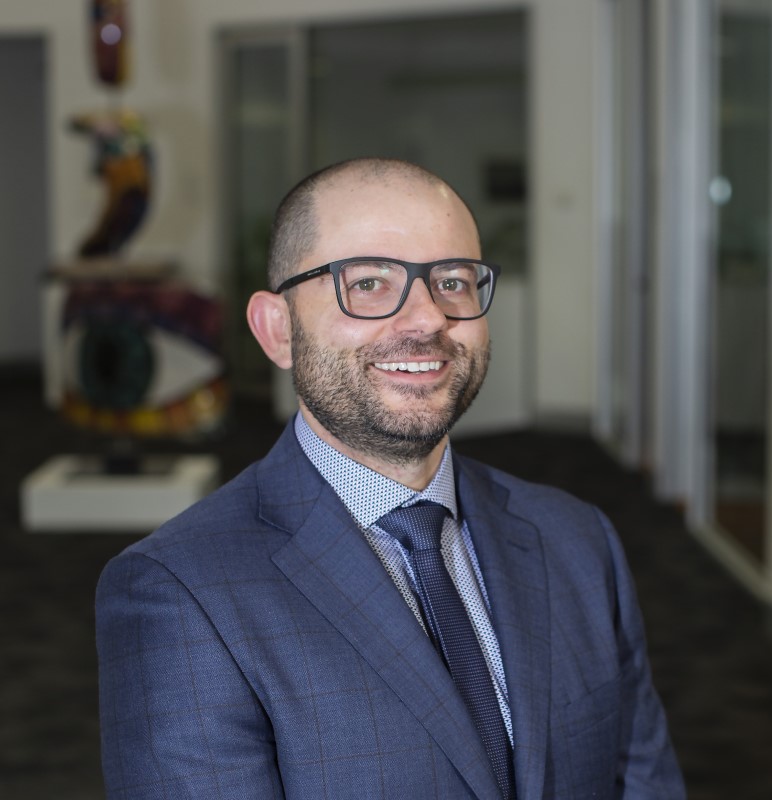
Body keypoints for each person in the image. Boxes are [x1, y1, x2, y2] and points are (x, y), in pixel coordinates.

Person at [96, 157, 685, 800]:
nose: (428, 318)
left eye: (454, 281)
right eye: (370, 282)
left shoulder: (577, 538)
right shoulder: (180, 594)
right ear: (277, 329)